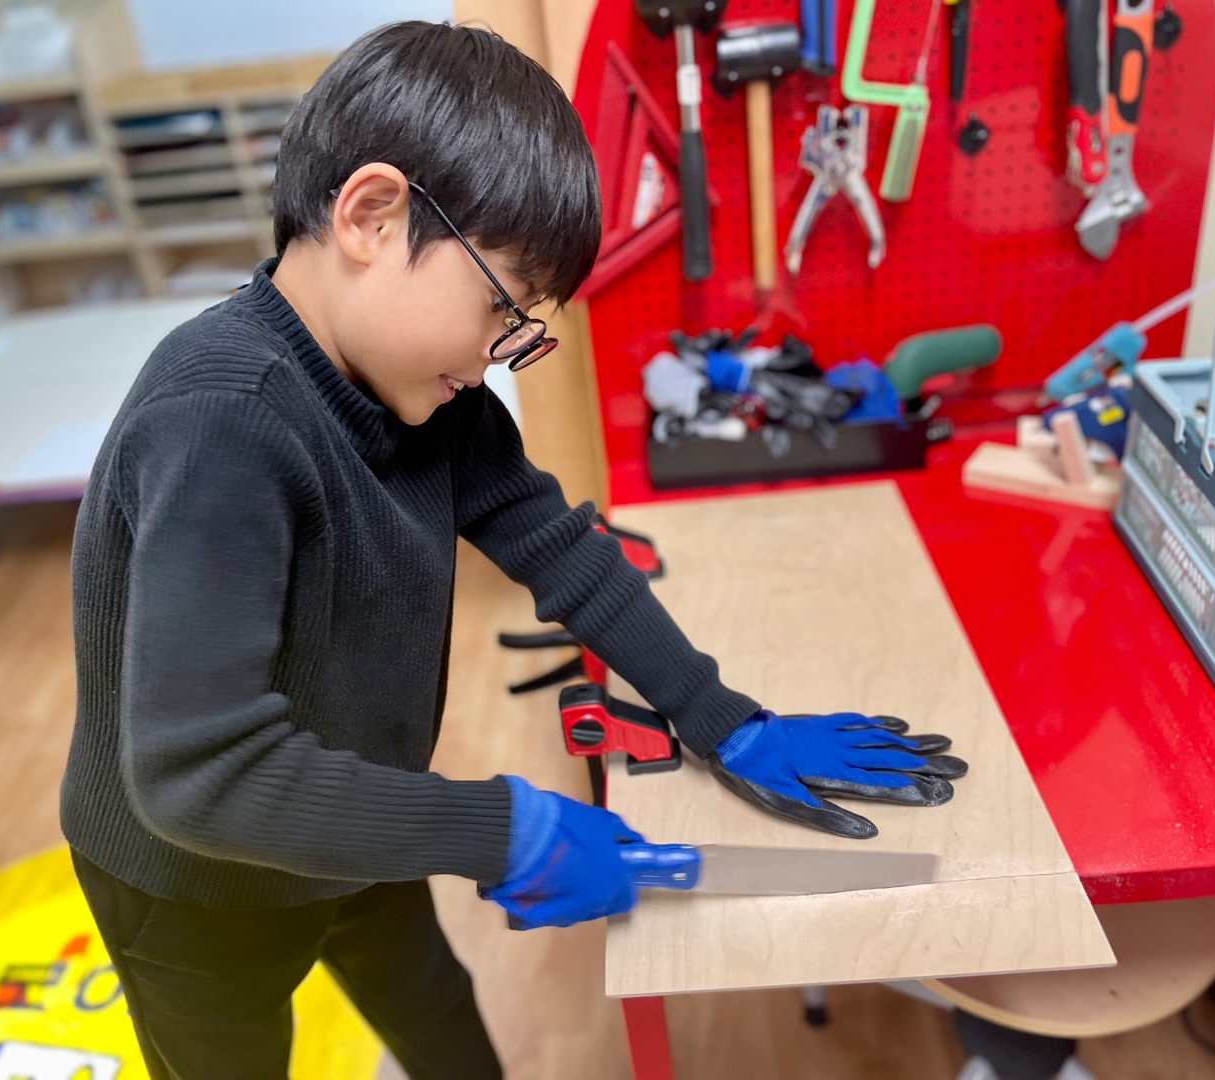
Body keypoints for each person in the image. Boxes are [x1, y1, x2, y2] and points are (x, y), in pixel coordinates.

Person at [60, 20, 965, 1080]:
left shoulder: (428, 396)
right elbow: (198, 776)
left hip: (346, 810)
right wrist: (499, 831)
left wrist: (723, 719)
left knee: (438, 1014)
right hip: (190, 883)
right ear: (372, 216)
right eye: (500, 306)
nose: (499, 352)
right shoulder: (222, 421)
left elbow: (560, 549)